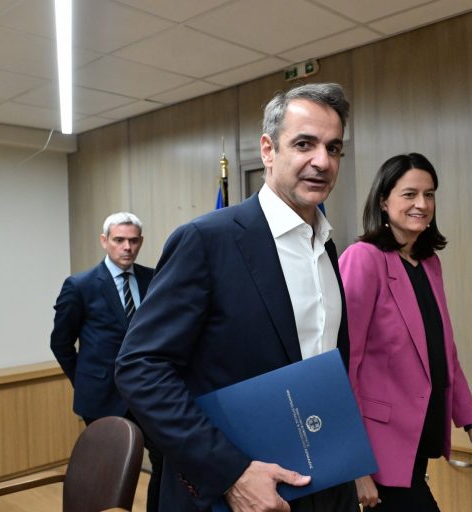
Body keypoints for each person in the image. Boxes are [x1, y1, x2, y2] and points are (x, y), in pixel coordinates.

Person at [115, 83, 358, 512]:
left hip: (323, 483)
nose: (322, 161)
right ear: (268, 150)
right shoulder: (207, 240)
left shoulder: (325, 246)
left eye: (333, 148)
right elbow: (140, 367)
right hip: (235, 492)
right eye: (304, 144)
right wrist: (231, 473)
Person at [339, 153, 472, 510]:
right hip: (378, 448)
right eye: (409, 194)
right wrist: (354, 463)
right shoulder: (363, 258)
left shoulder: (429, 263)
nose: (422, 204)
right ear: (384, 200)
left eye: (429, 194)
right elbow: (343, 363)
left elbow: (445, 353)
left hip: (418, 439)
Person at [50, 211, 162, 512]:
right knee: (107, 473)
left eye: (133, 241)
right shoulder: (80, 285)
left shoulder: (153, 278)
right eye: (119, 240)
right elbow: (60, 343)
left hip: (147, 392)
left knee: (165, 458)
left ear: (141, 242)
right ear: (104, 241)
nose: (127, 247)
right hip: (101, 397)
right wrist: (85, 381)